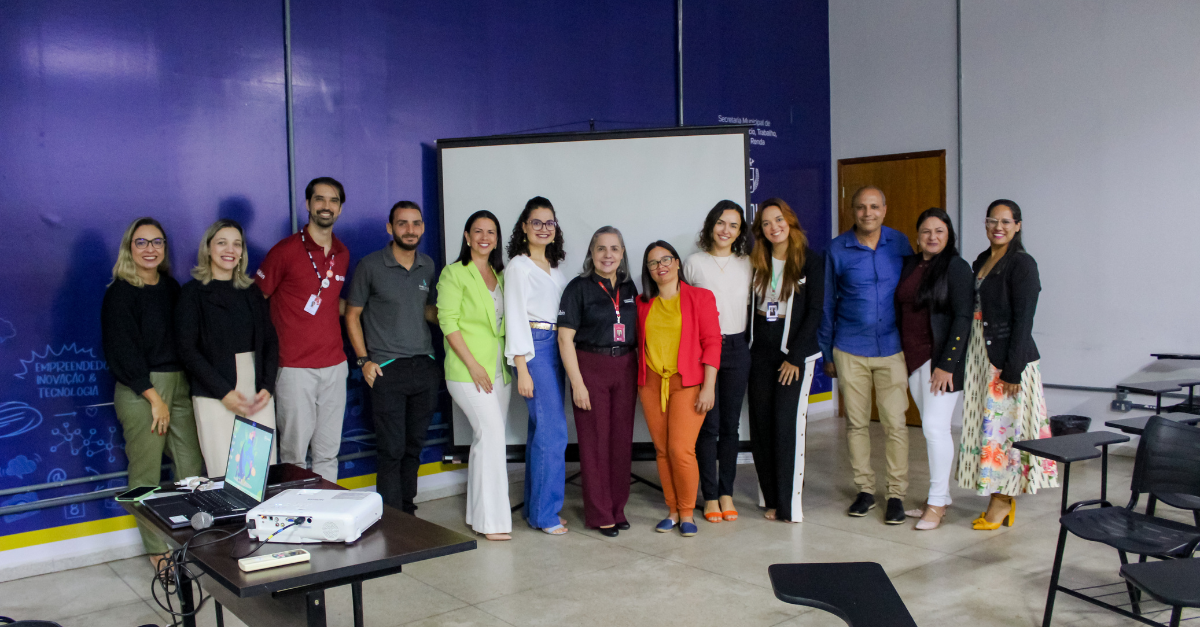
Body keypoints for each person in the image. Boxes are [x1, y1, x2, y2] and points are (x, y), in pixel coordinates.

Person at [102, 217, 203, 568]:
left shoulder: (172, 288)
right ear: (129, 248)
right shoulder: (120, 292)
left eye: (157, 242)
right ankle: (157, 553)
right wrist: (153, 397)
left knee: (192, 471)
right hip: (142, 390)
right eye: (141, 242)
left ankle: (192, 546)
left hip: (178, 385)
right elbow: (122, 352)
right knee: (145, 477)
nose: (150, 249)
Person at [957, 199, 1057, 530]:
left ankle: (1001, 502)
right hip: (981, 359)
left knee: (1006, 434)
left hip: (1008, 362)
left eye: (1005, 221)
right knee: (988, 432)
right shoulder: (983, 260)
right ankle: (999, 497)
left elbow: (1024, 319)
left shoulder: (1022, 264)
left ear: (1018, 225)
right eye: (991, 220)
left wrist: (1012, 369)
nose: (997, 227)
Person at [818, 185, 913, 525]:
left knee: (896, 424)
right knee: (856, 423)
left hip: (891, 348)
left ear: (884, 209)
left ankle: (897, 495)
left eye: (874, 206)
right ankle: (865, 490)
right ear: (852, 211)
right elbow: (827, 303)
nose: (867, 213)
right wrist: (827, 350)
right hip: (849, 348)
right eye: (861, 207)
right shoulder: (836, 249)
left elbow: (913, 295)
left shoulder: (900, 244)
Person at [346, 201, 441, 515]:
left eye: (416, 223)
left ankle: (408, 510)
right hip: (386, 368)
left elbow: (426, 310)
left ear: (422, 228)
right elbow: (352, 315)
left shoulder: (427, 265)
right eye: (403, 223)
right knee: (392, 449)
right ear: (390, 228)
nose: (410, 230)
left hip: (424, 367)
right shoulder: (370, 266)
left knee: (414, 447)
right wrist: (364, 361)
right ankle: (390, 517)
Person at [255, 177, 350, 482]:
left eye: (333, 200)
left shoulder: (342, 253)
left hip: (335, 365)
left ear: (340, 208)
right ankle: (295, 521)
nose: (326, 206)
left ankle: (329, 519)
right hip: (294, 367)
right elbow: (258, 301)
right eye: (319, 199)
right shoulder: (283, 251)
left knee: (327, 452)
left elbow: (330, 301)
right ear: (308, 205)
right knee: (294, 455)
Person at [176, 219, 278, 476]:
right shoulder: (192, 294)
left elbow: (270, 341)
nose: (229, 250)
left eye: (236, 244)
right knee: (226, 478)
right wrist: (224, 393)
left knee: (258, 476)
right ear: (208, 248)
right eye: (222, 243)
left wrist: (267, 386)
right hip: (214, 394)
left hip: (256, 392)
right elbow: (188, 350)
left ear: (242, 251)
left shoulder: (252, 291)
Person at [746, 199, 825, 523]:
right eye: (766, 223)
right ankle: (772, 499)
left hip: (792, 355)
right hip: (760, 353)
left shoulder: (810, 261)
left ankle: (789, 506)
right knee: (762, 428)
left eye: (778, 220)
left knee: (785, 428)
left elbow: (815, 312)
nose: (773, 227)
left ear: (790, 222)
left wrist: (795, 357)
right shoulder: (757, 261)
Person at [894, 208, 972, 531]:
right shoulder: (910, 265)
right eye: (926, 231)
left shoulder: (957, 267)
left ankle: (938, 503)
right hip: (913, 360)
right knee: (930, 430)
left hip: (940, 362)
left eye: (939, 231)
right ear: (917, 237)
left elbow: (962, 318)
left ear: (948, 235)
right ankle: (937, 497)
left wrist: (946, 365)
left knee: (934, 429)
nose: (932, 237)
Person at [558, 226, 639, 537]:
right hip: (590, 366)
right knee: (594, 444)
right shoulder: (577, 288)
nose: (608, 255)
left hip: (625, 367)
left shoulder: (630, 288)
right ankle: (599, 512)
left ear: (622, 254)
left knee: (621, 442)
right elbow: (565, 340)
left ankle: (618, 508)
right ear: (591, 253)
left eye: (614, 249)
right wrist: (577, 383)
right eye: (601, 248)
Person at [637, 240, 721, 537]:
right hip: (650, 384)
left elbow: (712, 342)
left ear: (677, 263)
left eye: (666, 259)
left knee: (681, 450)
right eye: (653, 263)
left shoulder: (700, 297)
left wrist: (708, 387)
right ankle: (671, 511)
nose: (661, 266)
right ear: (648, 271)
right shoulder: (642, 303)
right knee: (662, 451)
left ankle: (687, 513)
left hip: (687, 383)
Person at [438, 210, 512, 541]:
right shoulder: (454, 273)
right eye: (478, 231)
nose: (485, 237)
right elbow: (448, 321)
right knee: (492, 437)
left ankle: (475, 515)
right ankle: (493, 522)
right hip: (468, 371)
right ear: (467, 236)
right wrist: (472, 363)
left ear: (497, 239)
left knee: (485, 440)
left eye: (491, 232)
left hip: (500, 370)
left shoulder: (502, 274)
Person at [504, 197, 571, 535]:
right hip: (535, 348)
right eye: (536, 222)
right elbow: (515, 316)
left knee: (539, 433)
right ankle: (547, 515)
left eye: (550, 223)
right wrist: (523, 367)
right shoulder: (519, 265)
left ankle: (535, 510)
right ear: (524, 227)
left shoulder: (556, 269)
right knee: (553, 433)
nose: (544, 228)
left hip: (558, 347)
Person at [683, 200, 753, 523]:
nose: (726, 230)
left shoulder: (747, 263)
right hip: (704, 352)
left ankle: (727, 492)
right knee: (707, 425)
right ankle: (709, 495)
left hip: (738, 348)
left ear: (740, 231)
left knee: (730, 426)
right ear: (711, 225)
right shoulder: (694, 263)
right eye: (721, 223)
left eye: (734, 225)